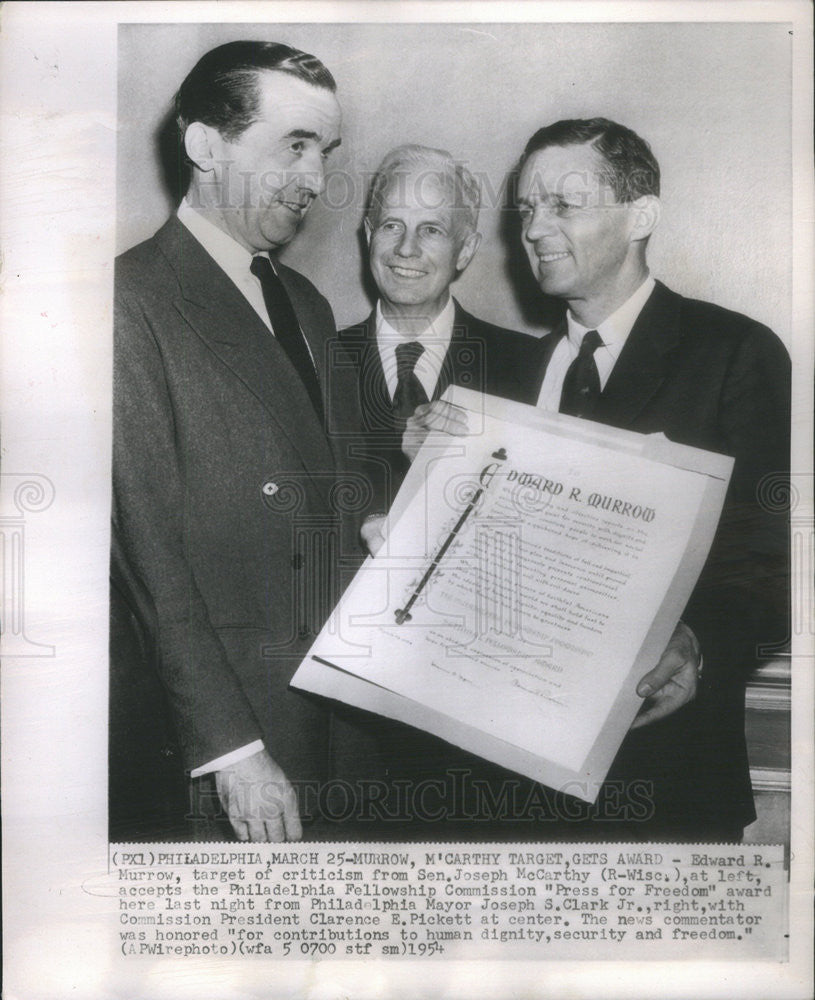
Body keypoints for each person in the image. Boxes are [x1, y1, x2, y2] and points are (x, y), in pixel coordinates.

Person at [407, 118, 790, 841]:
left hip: (662, 785)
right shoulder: (504, 375)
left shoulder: (733, 353)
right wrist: (422, 483)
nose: (534, 229)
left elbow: (775, 565)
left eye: (563, 204)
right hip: (502, 794)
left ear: (639, 215)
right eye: (526, 209)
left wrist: (699, 644)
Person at [110, 41, 369, 843]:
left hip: (336, 721)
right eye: (293, 145)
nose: (317, 181)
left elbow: (333, 495)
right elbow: (148, 552)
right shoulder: (129, 301)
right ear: (204, 145)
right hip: (235, 744)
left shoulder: (306, 302)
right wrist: (231, 749)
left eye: (323, 153)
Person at [340, 145, 535, 514]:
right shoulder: (315, 361)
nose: (406, 248)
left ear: (465, 250)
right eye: (391, 225)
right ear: (369, 236)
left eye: (431, 229)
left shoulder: (527, 367)